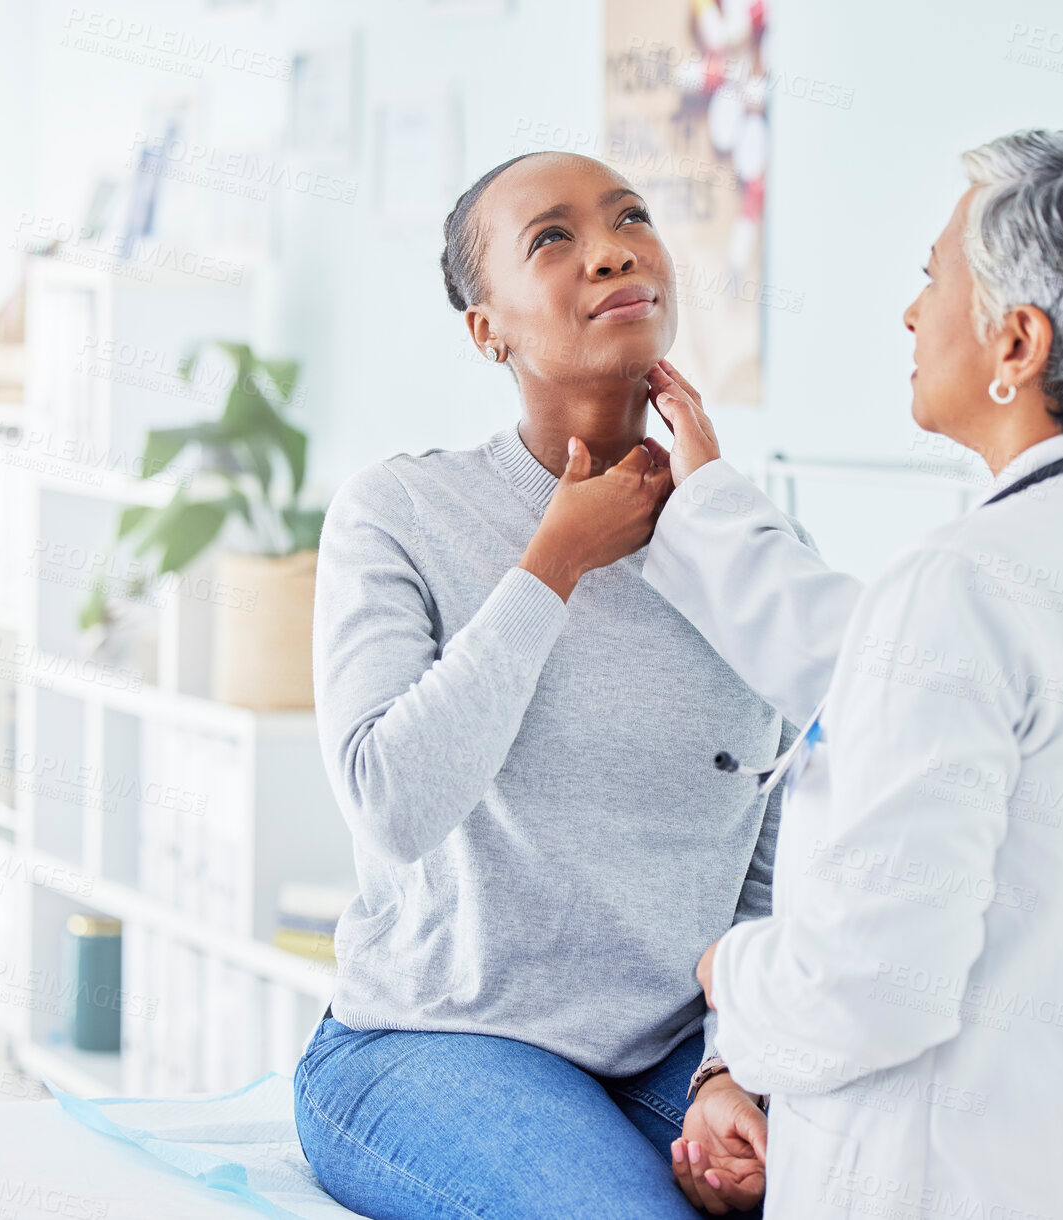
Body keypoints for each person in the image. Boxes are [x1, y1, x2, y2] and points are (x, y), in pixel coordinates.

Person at [639, 129, 1063, 1219]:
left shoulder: (966, 582)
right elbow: (884, 665)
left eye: (933, 276)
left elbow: (873, 986)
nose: (912, 312)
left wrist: (728, 974)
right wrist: (710, 505)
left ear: (1017, 341)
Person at [293, 151, 794, 1217]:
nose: (611, 246)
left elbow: (772, 863)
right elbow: (393, 801)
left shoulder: (749, 552)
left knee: (880, 1177)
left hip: (663, 1050)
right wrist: (552, 563)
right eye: (552, 237)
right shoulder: (399, 513)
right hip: (432, 1040)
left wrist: (728, 1068)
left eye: (631, 218)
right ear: (489, 329)